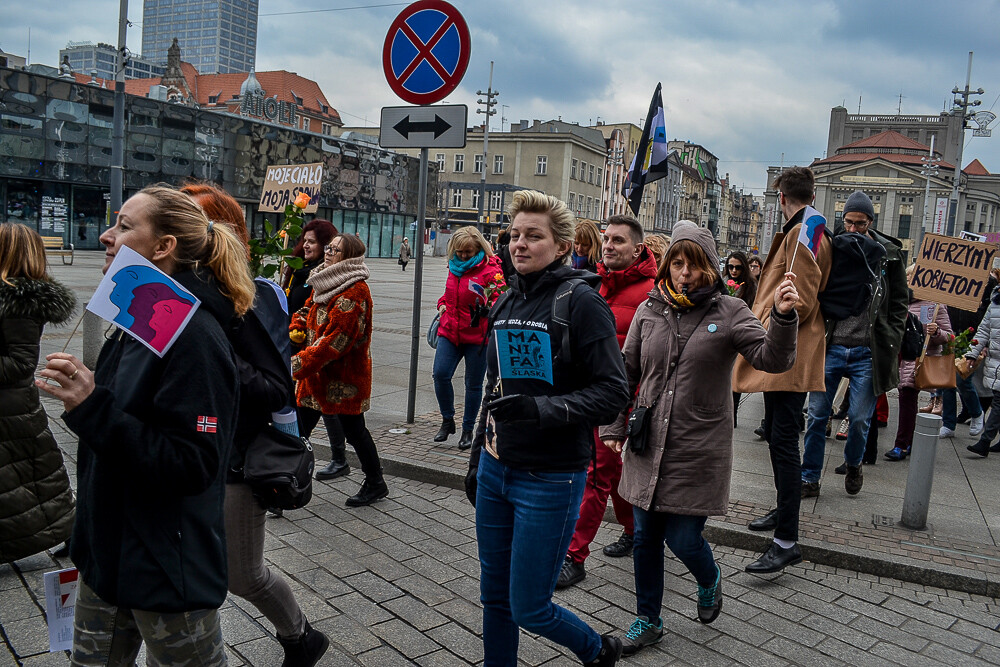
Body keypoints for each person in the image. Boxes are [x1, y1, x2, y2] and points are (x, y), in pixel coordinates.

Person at [37, 185, 256, 665]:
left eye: (124, 226)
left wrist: (91, 406)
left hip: (163, 569)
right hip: (106, 557)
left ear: (164, 247)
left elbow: (193, 464)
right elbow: (128, 419)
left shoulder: (195, 336)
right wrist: (93, 393)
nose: (106, 236)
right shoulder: (144, 313)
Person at [600, 221, 798, 655]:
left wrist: (783, 317)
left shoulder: (729, 311)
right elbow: (626, 371)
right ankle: (647, 619)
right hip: (647, 442)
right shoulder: (651, 308)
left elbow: (773, 358)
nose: (684, 275)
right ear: (667, 265)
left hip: (697, 446)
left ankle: (709, 579)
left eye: (693, 266)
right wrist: (614, 425)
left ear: (709, 267)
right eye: (677, 264)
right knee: (646, 537)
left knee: (684, 539)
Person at [465, 190, 630, 666]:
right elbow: (494, 390)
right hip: (498, 471)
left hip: (551, 477)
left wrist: (542, 411)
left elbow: (613, 392)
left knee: (530, 607)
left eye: (533, 236)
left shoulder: (581, 302)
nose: (519, 244)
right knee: (493, 599)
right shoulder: (505, 299)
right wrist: (478, 459)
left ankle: (599, 649)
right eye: (514, 234)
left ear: (561, 246)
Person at [182, 183, 330, 666]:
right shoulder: (169, 288)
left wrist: (210, 351)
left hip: (239, 455)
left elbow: (273, 385)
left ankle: (302, 638)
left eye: (190, 222)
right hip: (188, 451)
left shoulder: (254, 293)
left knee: (243, 575)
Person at [733, 166, 832, 573]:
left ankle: (786, 539)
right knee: (776, 434)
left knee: (784, 441)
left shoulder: (802, 235)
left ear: (782, 198)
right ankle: (782, 511)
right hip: (790, 352)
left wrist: (770, 325)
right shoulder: (811, 230)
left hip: (789, 353)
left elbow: (802, 299)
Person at [557, 215, 656, 589]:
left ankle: (574, 556)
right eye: (606, 239)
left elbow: (649, 358)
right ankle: (633, 532)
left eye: (618, 240)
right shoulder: (594, 285)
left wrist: (635, 406)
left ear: (638, 248)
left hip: (620, 401)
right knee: (611, 475)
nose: (609, 245)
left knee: (596, 476)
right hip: (586, 395)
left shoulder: (651, 292)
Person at [800, 190, 908, 497]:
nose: (853, 229)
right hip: (832, 346)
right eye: (848, 222)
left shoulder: (887, 254)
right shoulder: (834, 247)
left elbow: (900, 300)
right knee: (818, 416)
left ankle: (854, 462)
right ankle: (809, 478)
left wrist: (893, 334)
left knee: (860, 420)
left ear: (870, 222)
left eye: (860, 223)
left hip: (867, 351)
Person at [291, 233, 389, 507]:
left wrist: (297, 364)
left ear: (350, 258)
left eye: (336, 249)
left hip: (343, 379)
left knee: (354, 431)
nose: (329, 252)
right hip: (316, 377)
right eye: (330, 247)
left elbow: (335, 342)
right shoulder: (326, 280)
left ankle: (376, 483)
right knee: (299, 432)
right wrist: (297, 326)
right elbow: (307, 308)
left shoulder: (355, 290)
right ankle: (285, 483)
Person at [0, 223, 76, 563]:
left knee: (34, 476)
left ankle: (71, 529)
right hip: (12, 407)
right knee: (30, 475)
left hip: (11, 408)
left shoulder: (19, 300)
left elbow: (20, 362)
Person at [433, 226, 504, 448]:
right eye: (460, 251)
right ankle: (447, 420)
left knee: (473, 385)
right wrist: (442, 305)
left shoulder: (490, 270)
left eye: (469, 252)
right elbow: (447, 295)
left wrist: (489, 308)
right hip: (450, 331)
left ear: (478, 250)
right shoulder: (454, 267)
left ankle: (467, 429)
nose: (463, 256)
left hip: (477, 337)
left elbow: (500, 299)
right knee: (440, 375)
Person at [886, 277, 951, 460]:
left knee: (907, 399)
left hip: (918, 359)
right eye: (905, 278)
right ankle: (909, 442)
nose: (907, 282)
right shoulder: (899, 300)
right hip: (898, 357)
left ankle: (902, 445)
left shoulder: (934, 304)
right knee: (905, 400)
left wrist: (936, 332)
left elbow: (949, 335)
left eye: (911, 278)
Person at [941, 272, 995, 438]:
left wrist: (984, 343)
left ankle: (977, 412)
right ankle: (948, 423)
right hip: (951, 334)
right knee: (947, 382)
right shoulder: (950, 274)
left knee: (962, 380)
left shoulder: (989, 281)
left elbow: (989, 315)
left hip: (972, 338)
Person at [965, 281, 1000, 456]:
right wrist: (973, 352)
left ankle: (985, 441)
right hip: (996, 359)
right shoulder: (996, 298)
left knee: (999, 402)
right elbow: (984, 329)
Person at [726, 251, 758, 427]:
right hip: (723, 333)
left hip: (741, 333)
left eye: (738, 267)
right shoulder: (723, 283)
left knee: (736, 377)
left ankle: (733, 414)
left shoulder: (751, 286)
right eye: (730, 267)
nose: (734, 271)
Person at [284, 219, 337, 316]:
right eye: (304, 241)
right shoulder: (298, 267)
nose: (305, 245)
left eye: (311, 242)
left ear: (326, 245)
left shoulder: (329, 275)